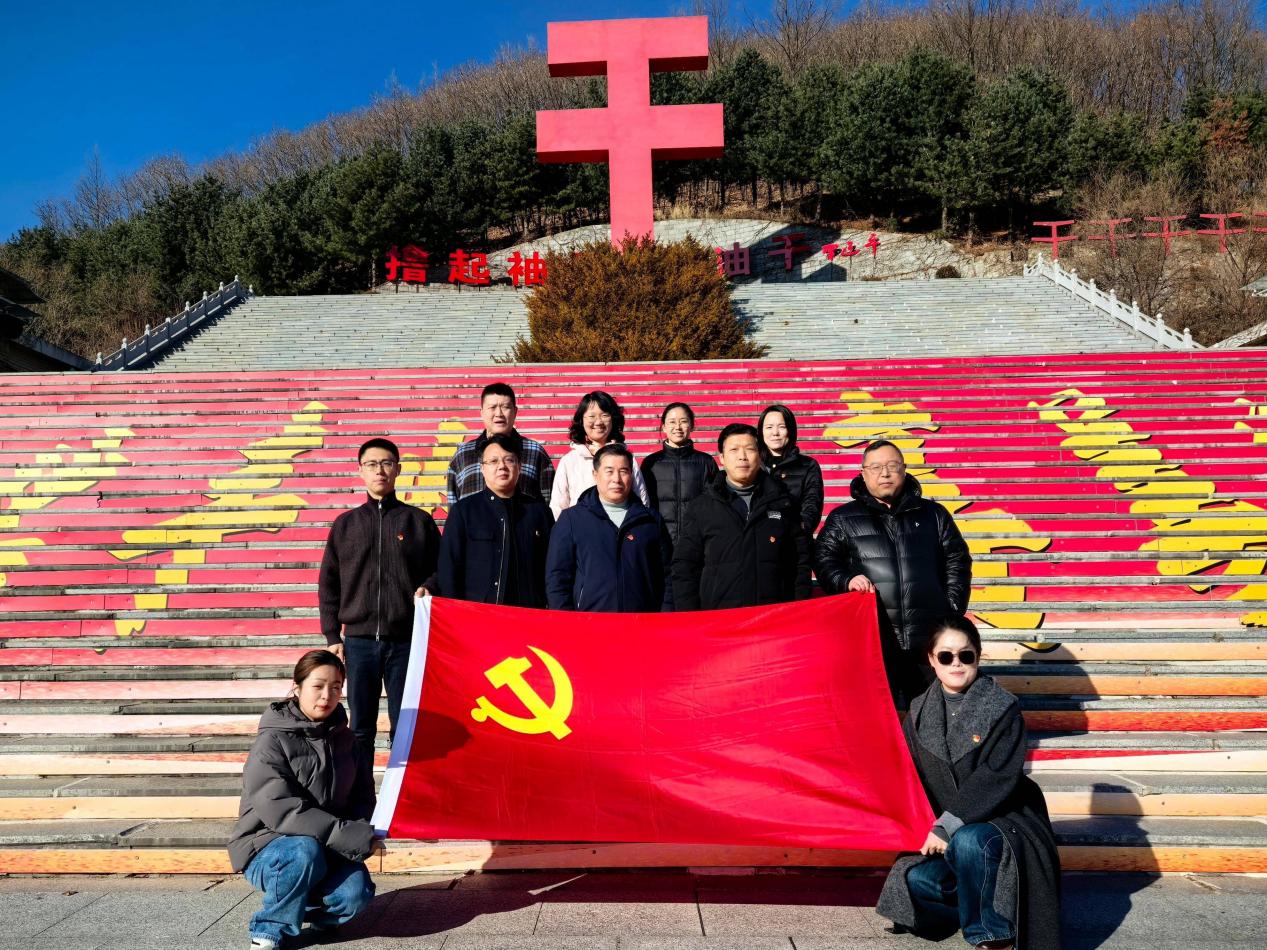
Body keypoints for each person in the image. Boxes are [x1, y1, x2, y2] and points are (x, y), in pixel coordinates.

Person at [877, 616, 1061, 950]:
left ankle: (991, 934)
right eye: (946, 656)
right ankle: (974, 903)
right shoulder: (918, 711)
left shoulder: (1002, 707)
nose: (956, 664)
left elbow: (996, 777)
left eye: (966, 655)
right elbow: (910, 775)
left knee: (969, 841)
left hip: (1003, 822)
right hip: (947, 827)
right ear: (932, 659)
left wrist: (949, 824)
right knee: (915, 880)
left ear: (978, 655)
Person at [229, 650, 377, 950]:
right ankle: (269, 930)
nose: (327, 695)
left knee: (357, 892)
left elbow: (363, 796)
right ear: (297, 688)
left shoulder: (348, 741)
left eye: (336, 687)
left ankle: (305, 908)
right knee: (302, 850)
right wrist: (344, 834)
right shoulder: (272, 740)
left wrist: (361, 832)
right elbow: (282, 809)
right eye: (318, 686)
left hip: (326, 847)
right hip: (270, 847)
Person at [814, 439, 971, 706]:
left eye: (892, 466)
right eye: (876, 467)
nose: (884, 473)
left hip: (928, 641)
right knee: (876, 714)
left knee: (930, 714)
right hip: (873, 640)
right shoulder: (843, 518)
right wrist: (846, 579)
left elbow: (957, 561)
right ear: (863, 474)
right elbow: (823, 560)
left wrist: (951, 609)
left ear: (904, 469)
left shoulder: (934, 515)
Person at [318, 437, 440, 764]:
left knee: (405, 726)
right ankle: (361, 792)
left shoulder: (418, 521)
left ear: (398, 469)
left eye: (386, 463)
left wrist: (428, 586)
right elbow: (329, 582)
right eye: (371, 464)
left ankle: (400, 792)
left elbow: (440, 569)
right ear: (360, 471)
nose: (380, 471)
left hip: (405, 640)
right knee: (360, 728)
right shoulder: (346, 524)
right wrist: (332, 635)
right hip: (359, 642)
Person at [672, 422, 812, 610]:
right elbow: (685, 567)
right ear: (721, 458)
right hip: (719, 618)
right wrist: (691, 617)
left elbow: (800, 562)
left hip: (773, 617)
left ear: (760, 455)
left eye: (749, 449)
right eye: (734, 450)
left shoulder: (784, 503)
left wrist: (798, 610)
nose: (742, 457)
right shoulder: (701, 507)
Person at [546, 443, 674, 612]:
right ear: (595, 475)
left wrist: (664, 617)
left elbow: (667, 575)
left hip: (641, 621)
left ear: (632, 475)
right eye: (609, 471)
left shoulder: (650, 520)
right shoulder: (572, 519)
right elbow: (557, 577)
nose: (616, 479)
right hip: (590, 621)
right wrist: (567, 620)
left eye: (623, 471)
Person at [437, 433, 554, 607]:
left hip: (528, 614)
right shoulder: (464, 511)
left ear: (519, 466)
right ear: (482, 469)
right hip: (478, 614)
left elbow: (552, 569)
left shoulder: (539, 512)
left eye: (509, 460)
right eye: (493, 461)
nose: (502, 467)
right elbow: (449, 568)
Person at [446, 382, 555, 505]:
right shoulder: (462, 454)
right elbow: (453, 505)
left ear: (515, 412)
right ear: (482, 412)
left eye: (505, 407)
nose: (499, 414)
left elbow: (549, 504)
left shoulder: (535, 452)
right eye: (492, 407)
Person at [550, 390, 648, 518]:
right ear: (581, 420)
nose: (598, 422)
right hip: (580, 528)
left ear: (613, 419)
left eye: (604, 415)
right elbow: (558, 507)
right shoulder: (569, 461)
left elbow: (641, 500)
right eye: (591, 416)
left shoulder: (625, 459)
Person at [641, 401, 718, 543]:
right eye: (672, 422)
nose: (677, 427)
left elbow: (714, 504)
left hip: (696, 542)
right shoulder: (651, 463)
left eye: (683, 421)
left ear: (692, 425)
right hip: (660, 542)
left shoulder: (706, 462)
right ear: (664, 427)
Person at [757, 404, 825, 537]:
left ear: (790, 430)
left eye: (782, 427)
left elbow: (811, 508)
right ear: (761, 431)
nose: (775, 433)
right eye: (769, 427)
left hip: (793, 542)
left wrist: (796, 532)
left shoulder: (807, 465)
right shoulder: (754, 464)